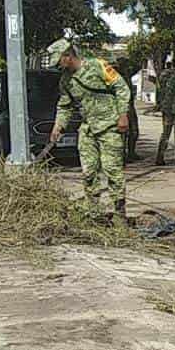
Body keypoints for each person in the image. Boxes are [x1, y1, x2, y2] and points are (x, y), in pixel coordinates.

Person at [48, 39, 131, 221]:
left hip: (109, 127)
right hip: (88, 129)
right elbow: (65, 106)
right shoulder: (66, 81)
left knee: (113, 172)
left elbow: (121, 88)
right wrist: (58, 125)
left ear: (68, 56)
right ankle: (94, 213)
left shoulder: (97, 66)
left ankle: (119, 215)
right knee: (88, 172)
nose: (58, 65)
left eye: (59, 60)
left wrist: (123, 114)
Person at [112, 54, 142, 163]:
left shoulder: (127, 73)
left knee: (134, 131)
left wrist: (132, 60)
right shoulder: (113, 75)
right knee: (122, 133)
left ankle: (131, 152)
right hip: (119, 107)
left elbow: (138, 66)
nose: (125, 66)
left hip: (130, 106)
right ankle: (121, 155)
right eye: (123, 64)